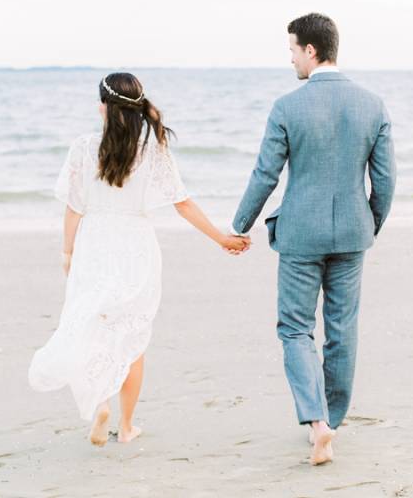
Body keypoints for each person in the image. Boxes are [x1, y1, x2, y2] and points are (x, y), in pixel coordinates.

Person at [29, 72, 250, 446]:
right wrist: (220, 239)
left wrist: (67, 252)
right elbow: (183, 203)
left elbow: (73, 208)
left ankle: (100, 405)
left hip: (95, 244)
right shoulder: (152, 148)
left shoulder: (85, 147)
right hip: (136, 245)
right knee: (132, 337)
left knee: (95, 329)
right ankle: (126, 426)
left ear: (103, 106)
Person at [231, 12, 396, 465]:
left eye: (291, 51)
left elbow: (266, 173)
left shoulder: (288, 106)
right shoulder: (373, 105)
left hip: (300, 235)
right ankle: (333, 423)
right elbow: (386, 181)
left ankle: (316, 421)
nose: (290, 61)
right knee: (342, 330)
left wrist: (240, 224)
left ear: (311, 50)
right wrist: (369, 223)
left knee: (295, 328)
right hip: (352, 234)